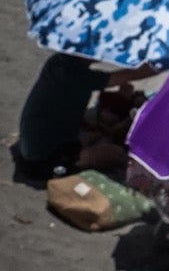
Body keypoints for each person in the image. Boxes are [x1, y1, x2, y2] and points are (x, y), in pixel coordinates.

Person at [15, 55, 156, 181]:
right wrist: (161, 65)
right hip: (45, 159)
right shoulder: (74, 75)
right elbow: (126, 76)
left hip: (44, 141)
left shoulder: (58, 62)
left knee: (102, 130)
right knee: (116, 154)